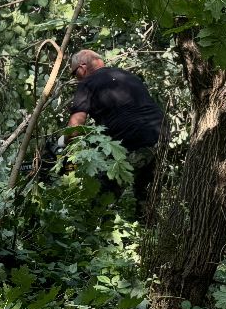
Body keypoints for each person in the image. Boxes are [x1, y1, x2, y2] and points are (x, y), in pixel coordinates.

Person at [66, 49, 165, 216]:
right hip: (160, 137)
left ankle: (95, 227)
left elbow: (75, 127)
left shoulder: (87, 83)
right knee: (146, 201)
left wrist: (62, 147)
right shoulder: (127, 75)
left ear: (82, 68)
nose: (75, 78)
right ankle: (149, 230)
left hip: (133, 142)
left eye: (74, 73)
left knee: (99, 199)